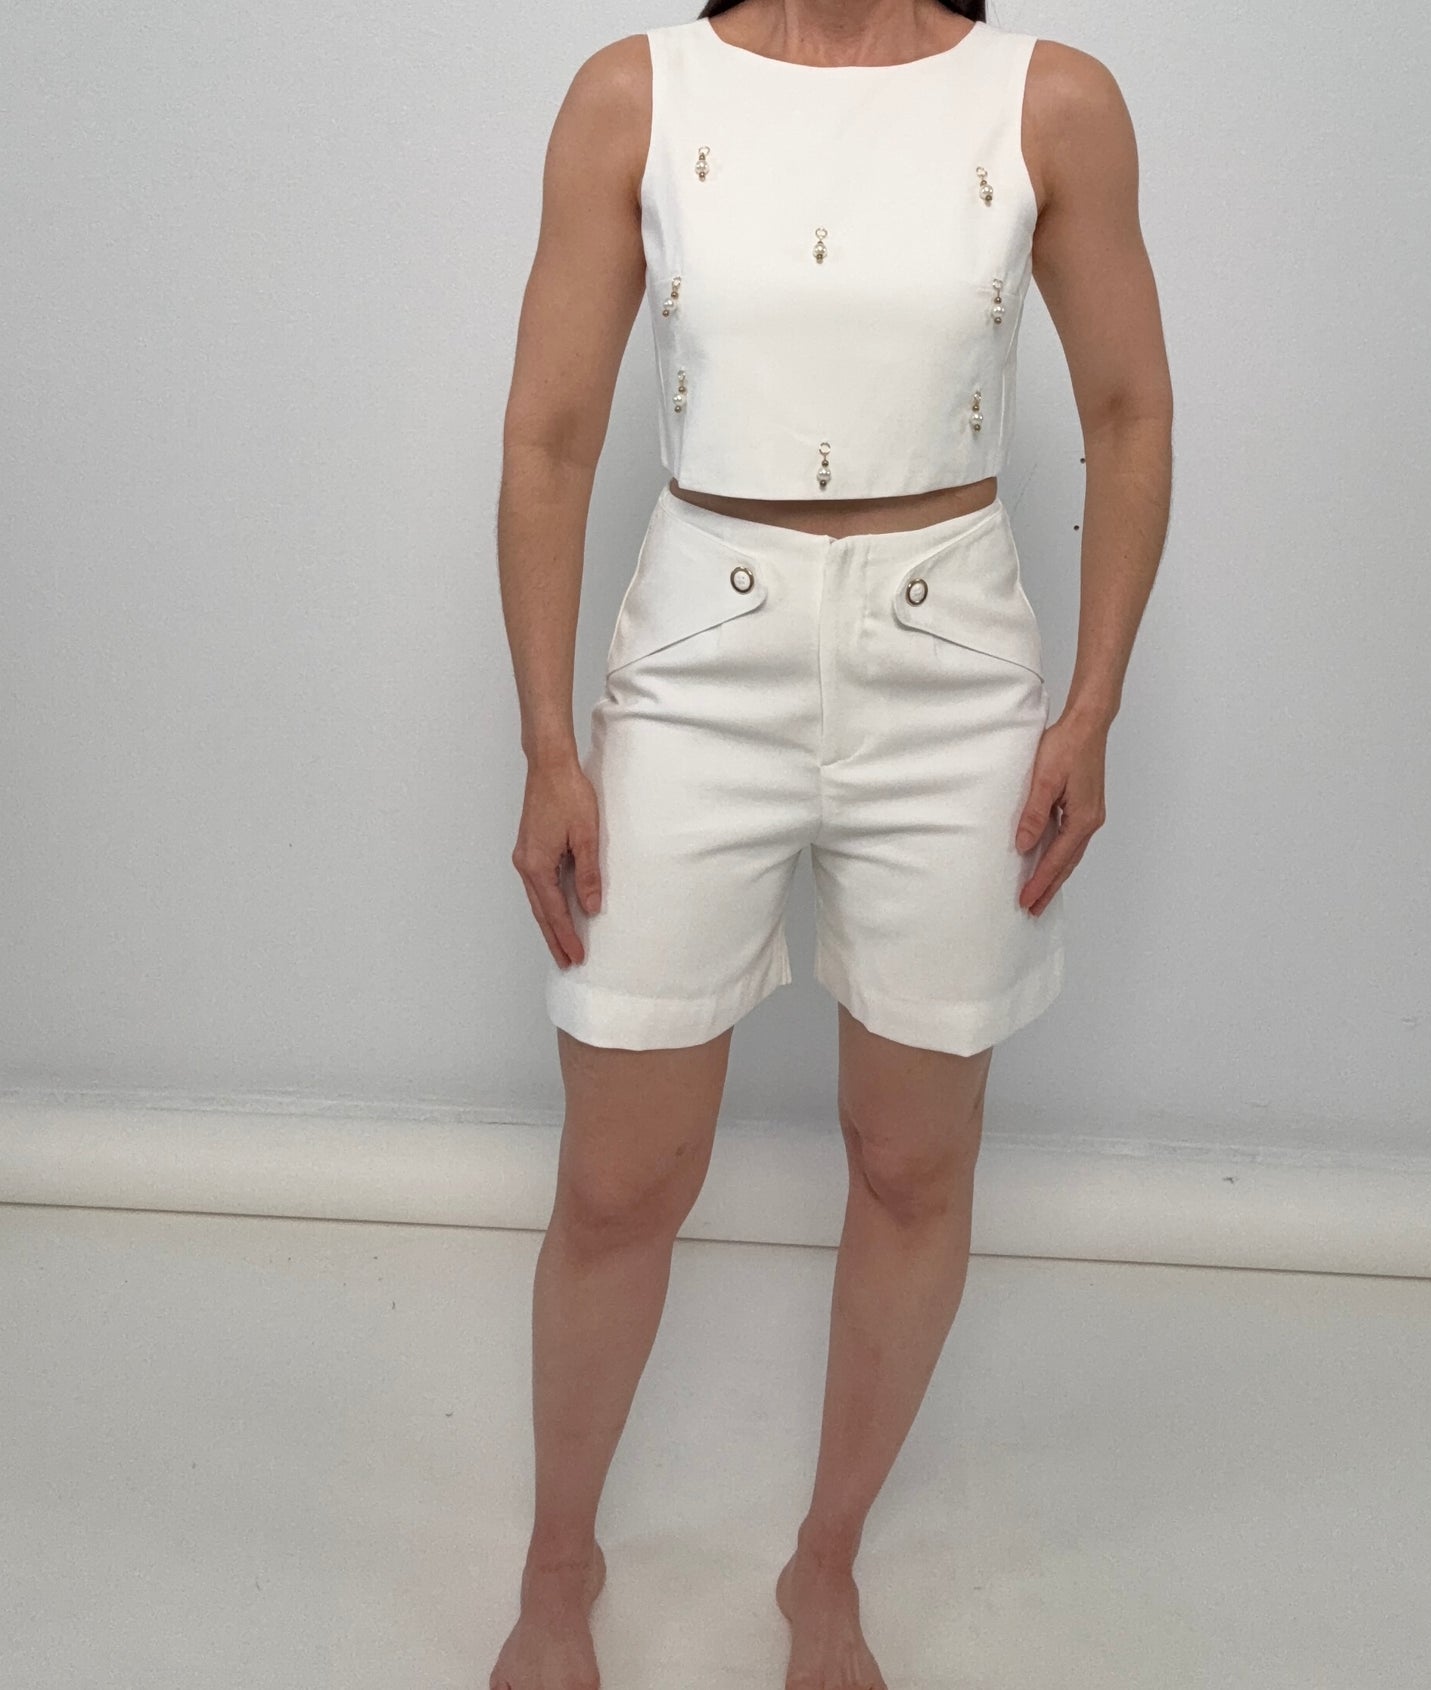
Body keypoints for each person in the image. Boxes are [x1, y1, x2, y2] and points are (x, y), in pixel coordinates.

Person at [492, 1, 1171, 1684]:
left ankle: (825, 1565)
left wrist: (1092, 704)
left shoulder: (1052, 103)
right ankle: (559, 1567)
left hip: (953, 673)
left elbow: (1130, 410)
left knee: (913, 1159)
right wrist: (548, 744)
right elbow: (552, 436)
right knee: (620, 1176)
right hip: (699, 657)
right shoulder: (635, 94)